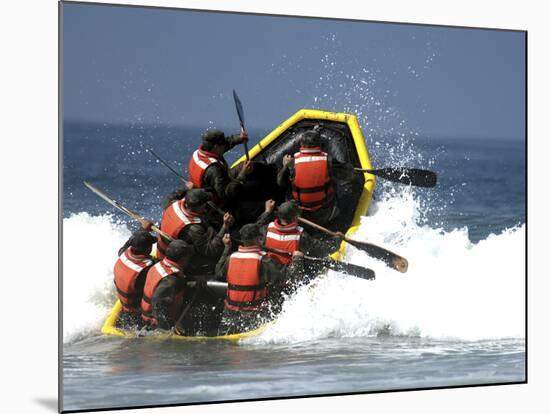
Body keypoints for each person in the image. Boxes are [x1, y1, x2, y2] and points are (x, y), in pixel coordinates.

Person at [216, 223, 304, 335]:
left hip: (230, 313)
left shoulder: (231, 258)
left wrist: (227, 248)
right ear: (258, 239)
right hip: (254, 315)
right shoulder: (264, 260)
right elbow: (291, 277)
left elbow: (218, 273)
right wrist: (297, 259)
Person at [156, 188, 233, 276]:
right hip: (182, 258)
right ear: (198, 207)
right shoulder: (193, 229)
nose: (206, 206)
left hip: (169, 245)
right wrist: (225, 226)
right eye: (204, 204)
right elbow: (210, 251)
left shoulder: (175, 203)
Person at [277, 129, 338, 226]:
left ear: (301, 144)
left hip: (299, 211)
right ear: (319, 145)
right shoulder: (328, 160)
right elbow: (348, 175)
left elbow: (280, 182)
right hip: (323, 210)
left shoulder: (292, 162)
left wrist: (285, 165)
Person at [262, 200, 343, 265]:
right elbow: (325, 250)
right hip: (290, 273)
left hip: (271, 271)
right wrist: (337, 239)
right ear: (295, 218)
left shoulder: (267, 229)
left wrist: (267, 212)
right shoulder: (301, 236)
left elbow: (253, 229)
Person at [187, 128, 253, 206]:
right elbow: (227, 194)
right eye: (222, 145)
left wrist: (239, 138)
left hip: (216, 184)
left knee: (243, 166)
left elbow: (226, 143)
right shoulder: (214, 170)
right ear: (216, 147)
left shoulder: (201, 152)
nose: (225, 146)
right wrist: (243, 174)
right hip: (218, 202)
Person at [140, 240, 194, 330]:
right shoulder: (171, 281)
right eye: (187, 255)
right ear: (182, 259)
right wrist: (169, 326)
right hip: (156, 322)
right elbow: (157, 303)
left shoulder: (159, 265)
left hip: (147, 313)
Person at [113, 226, 157, 327]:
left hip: (126, 306)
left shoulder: (123, 253)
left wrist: (143, 229)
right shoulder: (146, 269)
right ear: (148, 249)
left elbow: (129, 243)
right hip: (138, 312)